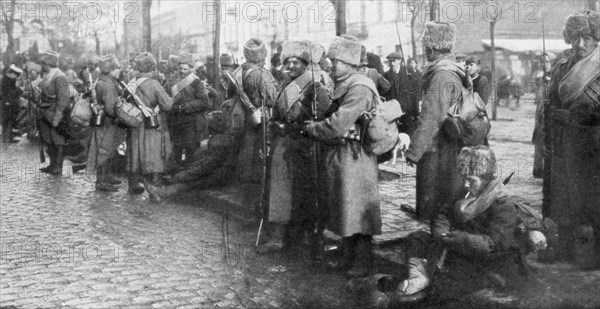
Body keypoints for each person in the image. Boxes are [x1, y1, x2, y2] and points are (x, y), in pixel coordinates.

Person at [397, 146, 522, 297]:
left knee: (451, 283)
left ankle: (426, 275)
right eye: (464, 178)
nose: (465, 184)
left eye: (471, 180)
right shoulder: (464, 193)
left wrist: (461, 239)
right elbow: (443, 213)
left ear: (486, 178)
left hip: (479, 255)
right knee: (416, 238)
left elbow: (496, 244)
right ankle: (419, 276)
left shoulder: (501, 204)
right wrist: (441, 232)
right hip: (454, 244)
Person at [304, 35, 382, 278]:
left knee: (358, 210)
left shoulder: (359, 87)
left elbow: (337, 125)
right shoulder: (346, 83)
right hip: (343, 155)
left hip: (356, 156)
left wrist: (312, 128)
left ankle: (363, 261)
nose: (332, 65)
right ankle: (348, 257)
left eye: (336, 61)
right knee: (345, 207)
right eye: (330, 60)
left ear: (350, 63)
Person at [258, 40, 332, 255]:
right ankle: (279, 237)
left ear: (305, 64)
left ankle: (308, 238)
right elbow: (276, 117)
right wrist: (272, 130)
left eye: (295, 63)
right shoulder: (284, 86)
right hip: (283, 144)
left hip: (304, 146)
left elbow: (325, 117)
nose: (290, 67)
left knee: (305, 194)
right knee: (280, 192)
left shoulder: (315, 87)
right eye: (287, 63)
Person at [544, 10, 600, 268]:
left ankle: (590, 253)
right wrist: (549, 135)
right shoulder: (562, 67)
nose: (580, 44)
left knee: (591, 201)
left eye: (587, 38)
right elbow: (549, 103)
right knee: (562, 199)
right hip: (563, 144)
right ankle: (564, 247)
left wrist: (576, 116)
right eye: (576, 38)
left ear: (596, 38)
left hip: (593, 146)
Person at [406, 22, 464, 221]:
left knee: (435, 209)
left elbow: (431, 117)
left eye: (426, 46)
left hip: (438, 151)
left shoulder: (441, 75)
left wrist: (414, 151)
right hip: (451, 147)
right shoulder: (454, 68)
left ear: (432, 47)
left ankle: (435, 246)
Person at [144, 111, 238, 201]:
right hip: (220, 173)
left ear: (211, 126)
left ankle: (161, 193)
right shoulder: (221, 138)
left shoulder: (218, 141)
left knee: (189, 182)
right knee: (185, 176)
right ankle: (161, 191)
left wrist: (186, 174)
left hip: (219, 176)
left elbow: (207, 166)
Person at [125, 52, 173, 194]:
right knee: (153, 153)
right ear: (152, 67)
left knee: (135, 152)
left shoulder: (131, 83)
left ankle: (133, 183)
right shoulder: (154, 84)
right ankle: (154, 184)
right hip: (151, 124)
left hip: (134, 123)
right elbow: (167, 105)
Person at [235, 38, 278, 192]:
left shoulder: (239, 71)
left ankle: (244, 179)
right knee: (260, 146)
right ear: (261, 55)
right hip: (262, 114)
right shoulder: (262, 74)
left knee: (247, 145)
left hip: (245, 115)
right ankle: (256, 182)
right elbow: (273, 99)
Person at [86, 54, 126, 192]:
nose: (119, 70)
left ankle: (106, 176)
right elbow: (110, 108)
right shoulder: (109, 85)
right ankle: (101, 181)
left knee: (108, 149)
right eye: (117, 68)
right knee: (104, 149)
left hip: (102, 121)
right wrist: (122, 115)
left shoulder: (101, 81)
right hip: (108, 122)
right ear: (110, 70)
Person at [165, 52, 210, 170]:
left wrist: (185, 106)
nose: (182, 71)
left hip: (191, 120)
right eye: (180, 68)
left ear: (191, 68)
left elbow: (204, 102)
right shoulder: (172, 80)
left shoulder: (196, 82)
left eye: (185, 69)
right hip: (176, 119)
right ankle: (176, 173)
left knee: (191, 148)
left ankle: (190, 174)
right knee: (177, 148)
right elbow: (165, 94)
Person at [37, 50, 71, 175]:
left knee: (58, 140)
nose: (42, 66)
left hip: (55, 112)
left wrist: (58, 116)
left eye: (43, 64)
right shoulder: (49, 75)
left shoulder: (59, 76)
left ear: (48, 63)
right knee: (48, 140)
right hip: (45, 113)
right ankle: (52, 165)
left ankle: (58, 167)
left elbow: (64, 98)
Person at [532, 52, 555, 179]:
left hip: (550, 114)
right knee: (538, 140)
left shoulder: (557, 76)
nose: (544, 64)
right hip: (540, 114)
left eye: (547, 62)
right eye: (542, 62)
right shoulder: (540, 78)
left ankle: (548, 171)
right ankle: (538, 170)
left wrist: (550, 83)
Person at [1, 64, 23, 144]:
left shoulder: (8, 79)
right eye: (16, 76)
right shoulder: (6, 81)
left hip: (9, 106)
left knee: (8, 123)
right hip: (7, 106)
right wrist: (18, 88)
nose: (16, 78)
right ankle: (6, 141)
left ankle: (8, 139)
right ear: (12, 73)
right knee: (7, 123)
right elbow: (11, 93)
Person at [403, 58, 423, 134]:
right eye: (410, 63)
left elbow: (420, 84)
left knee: (418, 112)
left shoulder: (419, 73)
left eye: (414, 63)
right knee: (412, 112)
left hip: (418, 95)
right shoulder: (407, 74)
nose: (412, 64)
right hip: (411, 96)